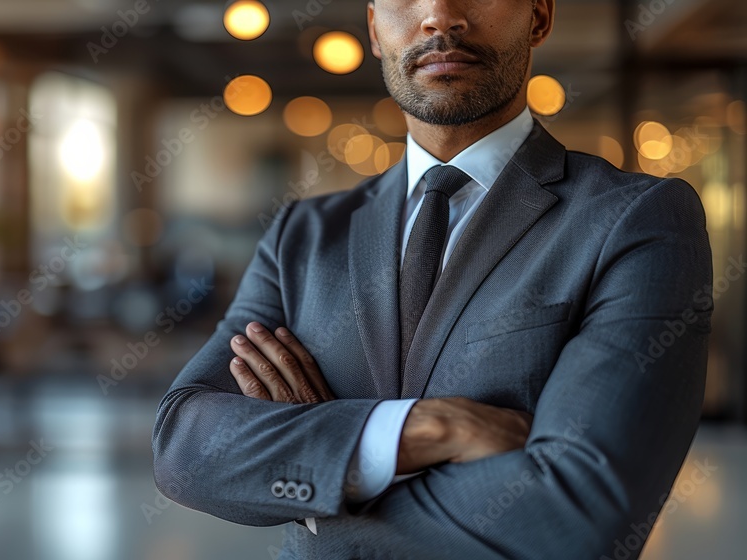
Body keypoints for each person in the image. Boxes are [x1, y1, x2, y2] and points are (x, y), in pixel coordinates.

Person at [152, 0, 713, 557]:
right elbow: (185, 448)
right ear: (374, 27)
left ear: (539, 16)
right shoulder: (302, 234)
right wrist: (420, 429)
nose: (440, 15)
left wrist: (325, 485)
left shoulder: (637, 220)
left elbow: (579, 515)